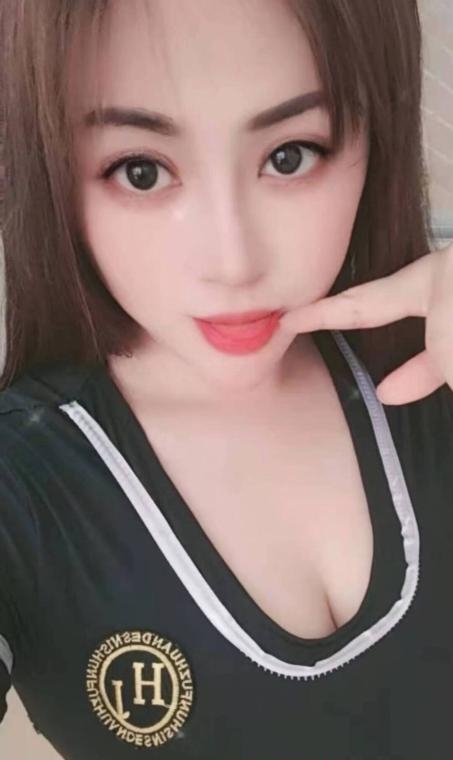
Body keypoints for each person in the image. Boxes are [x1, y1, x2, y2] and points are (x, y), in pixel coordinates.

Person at [0, 0, 452, 758]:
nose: (232, 261)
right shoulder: (25, 482)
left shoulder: (432, 364)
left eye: (290, 156)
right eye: (141, 171)